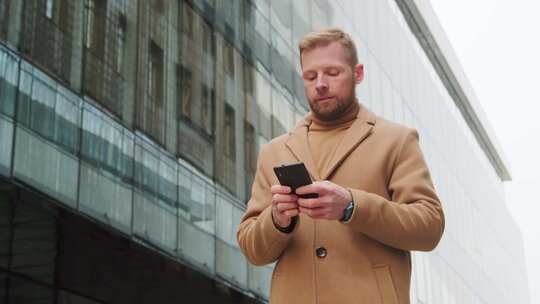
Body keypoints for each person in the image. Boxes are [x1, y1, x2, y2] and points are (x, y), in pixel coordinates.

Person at [237, 28, 444, 304]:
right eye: (311, 76)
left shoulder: (397, 139)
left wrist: (351, 206)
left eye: (332, 73)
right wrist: (277, 220)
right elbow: (253, 250)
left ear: (357, 73)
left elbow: (429, 227)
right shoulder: (274, 151)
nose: (320, 83)